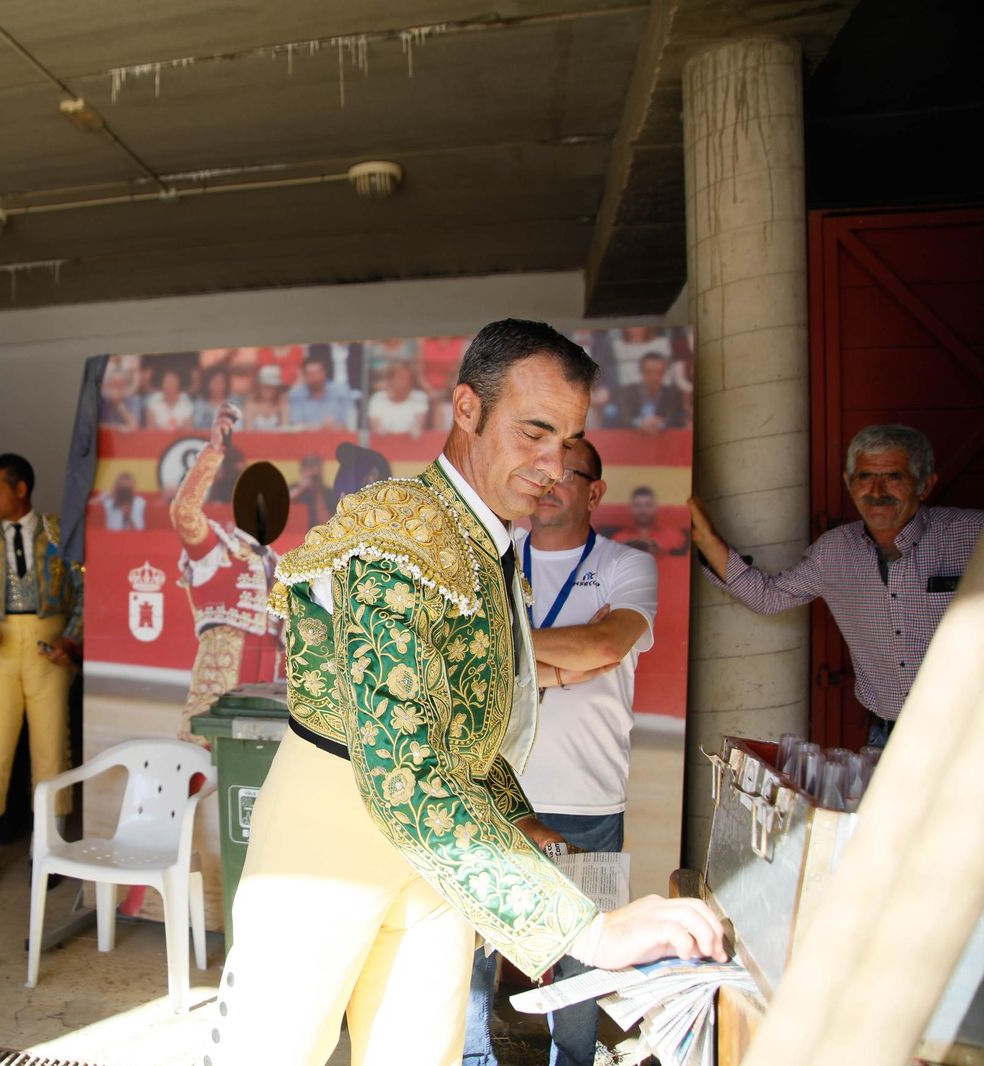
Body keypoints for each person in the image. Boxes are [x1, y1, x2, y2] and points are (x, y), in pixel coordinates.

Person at [205, 319, 724, 1066]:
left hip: (440, 846)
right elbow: (401, 770)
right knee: (271, 1051)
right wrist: (588, 930)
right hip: (333, 835)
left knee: (422, 1053)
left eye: (567, 443)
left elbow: (467, 718)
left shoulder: (487, 542)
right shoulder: (396, 532)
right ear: (468, 410)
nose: (551, 465)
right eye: (534, 431)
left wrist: (518, 817)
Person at [464, 438, 658, 1066]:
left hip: (587, 795)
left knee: (583, 949)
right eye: (537, 471)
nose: (546, 484)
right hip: (491, 786)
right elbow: (456, 657)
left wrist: (505, 649)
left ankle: (572, 1061)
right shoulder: (489, 559)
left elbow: (605, 645)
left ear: (595, 492)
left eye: (564, 474)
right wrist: (551, 663)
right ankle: (472, 1057)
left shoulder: (630, 565)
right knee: (474, 943)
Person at [689, 423, 982, 746]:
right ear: (849, 483)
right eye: (865, 477)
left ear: (925, 485)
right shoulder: (834, 551)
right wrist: (707, 539)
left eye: (894, 477)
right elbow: (768, 598)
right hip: (889, 737)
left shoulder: (971, 535)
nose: (877, 490)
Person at [0, 453, 82, 893]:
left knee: (51, 748)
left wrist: (70, 639)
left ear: (20, 489)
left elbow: (85, 590)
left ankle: (50, 850)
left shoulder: (58, 533)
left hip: (48, 648)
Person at [172, 410, 282, 742]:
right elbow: (184, 512)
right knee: (204, 769)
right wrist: (214, 452)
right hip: (218, 692)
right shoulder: (218, 550)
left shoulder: (280, 565)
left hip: (267, 696)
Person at [610, 351, 684, 432]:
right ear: (641, 371)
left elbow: (677, 419)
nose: (654, 377)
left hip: (662, 441)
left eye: (659, 372)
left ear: (665, 372)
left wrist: (661, 424)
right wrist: (640, 423)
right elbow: (621, 418)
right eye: (649, 372)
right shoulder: (626, 392)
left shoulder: (673, 394)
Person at [286, 354, 358, 430]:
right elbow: (297, 425)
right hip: (307, 440)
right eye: (310, 374)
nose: (315, 378)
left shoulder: (341, 391)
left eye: (317, 373)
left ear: (324, 372)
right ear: (304, 376)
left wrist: (334, 427)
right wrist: (321, 426)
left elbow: (350, 423)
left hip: (337, 438)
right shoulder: (296, 395)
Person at [612, 486, 690, 556]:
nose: (643, 510)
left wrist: (662, 552)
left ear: (655, 507)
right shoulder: (618, 539)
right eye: (638, 505)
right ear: (631, 508)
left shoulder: (674, 536)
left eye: (648, 505)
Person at [366, 359, 430, 435]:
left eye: (407, 378)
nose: (404, 382)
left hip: (412, 444)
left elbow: (420, 422)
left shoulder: (420, 397)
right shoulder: (377, 398)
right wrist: (380, 430)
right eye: (400, 377)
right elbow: (374, 424)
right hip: (383, 443)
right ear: (391, 379)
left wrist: (416, 427)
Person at [288, 453, 333, 530]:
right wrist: (301, 489)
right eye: (309, 467)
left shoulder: (328, 493)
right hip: (295, 535)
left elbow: (328, 523)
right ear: (302, 471)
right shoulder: (294, 489)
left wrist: (318, 493)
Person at [144, 367, 195, 431]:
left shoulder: (186, 401)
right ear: (162, 384)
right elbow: (150, 428)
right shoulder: (153, 400)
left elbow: (188, 429)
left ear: (178, 384)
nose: (169, 385)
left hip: (179, 439)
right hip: (157, 437)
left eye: (172, 382)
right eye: (167, 382)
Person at [245, 364, 288, 431]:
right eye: (266, 386)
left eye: (273, 387)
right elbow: (249, 431)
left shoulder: (281, 401)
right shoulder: (251, 402)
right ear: (260, 386)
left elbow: (285, 427)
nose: (270, 390)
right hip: (256, 440)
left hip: (277, 440)